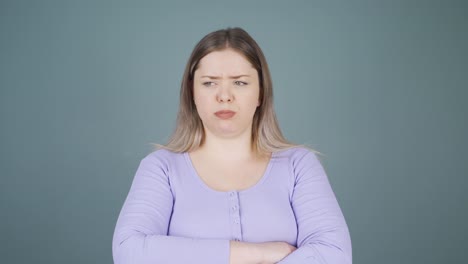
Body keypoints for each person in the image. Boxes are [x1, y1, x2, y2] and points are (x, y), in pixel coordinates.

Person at [112, 27, 352, 264]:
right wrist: (260, 254)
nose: (224, 95)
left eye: (239, 83)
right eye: (209, 83)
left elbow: (334, 254)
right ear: (191, 93)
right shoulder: (160, 168)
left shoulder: (299, 165)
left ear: (260, 93)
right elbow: (130, 251)